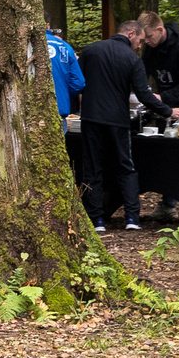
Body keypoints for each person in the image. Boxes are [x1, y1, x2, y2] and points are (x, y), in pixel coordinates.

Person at [73, 22, 170, 232]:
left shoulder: (90, 51)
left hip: (91, 118)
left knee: (92, 167)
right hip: (118, 119)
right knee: (126, 167)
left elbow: (77, 82)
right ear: (131, 33)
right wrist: (168, 111)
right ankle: (132, 218)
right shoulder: (132, 58)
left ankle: (96, 219)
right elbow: (143, 94)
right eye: (140, 41)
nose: (139, 46)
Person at [138, 13, 179, 111]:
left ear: (160, 30)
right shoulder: (150, 48)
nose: (146, 41)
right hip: (166, 106)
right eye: (144, 38)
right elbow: (142, 73)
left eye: (149, 36)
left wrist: (162, 97)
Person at [45, 25, 85, 119]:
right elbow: (78, 82)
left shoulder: (20, 45)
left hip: (26, 111)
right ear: (48, 25)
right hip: (59, 109)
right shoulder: (65, 46)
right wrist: (63, 95)